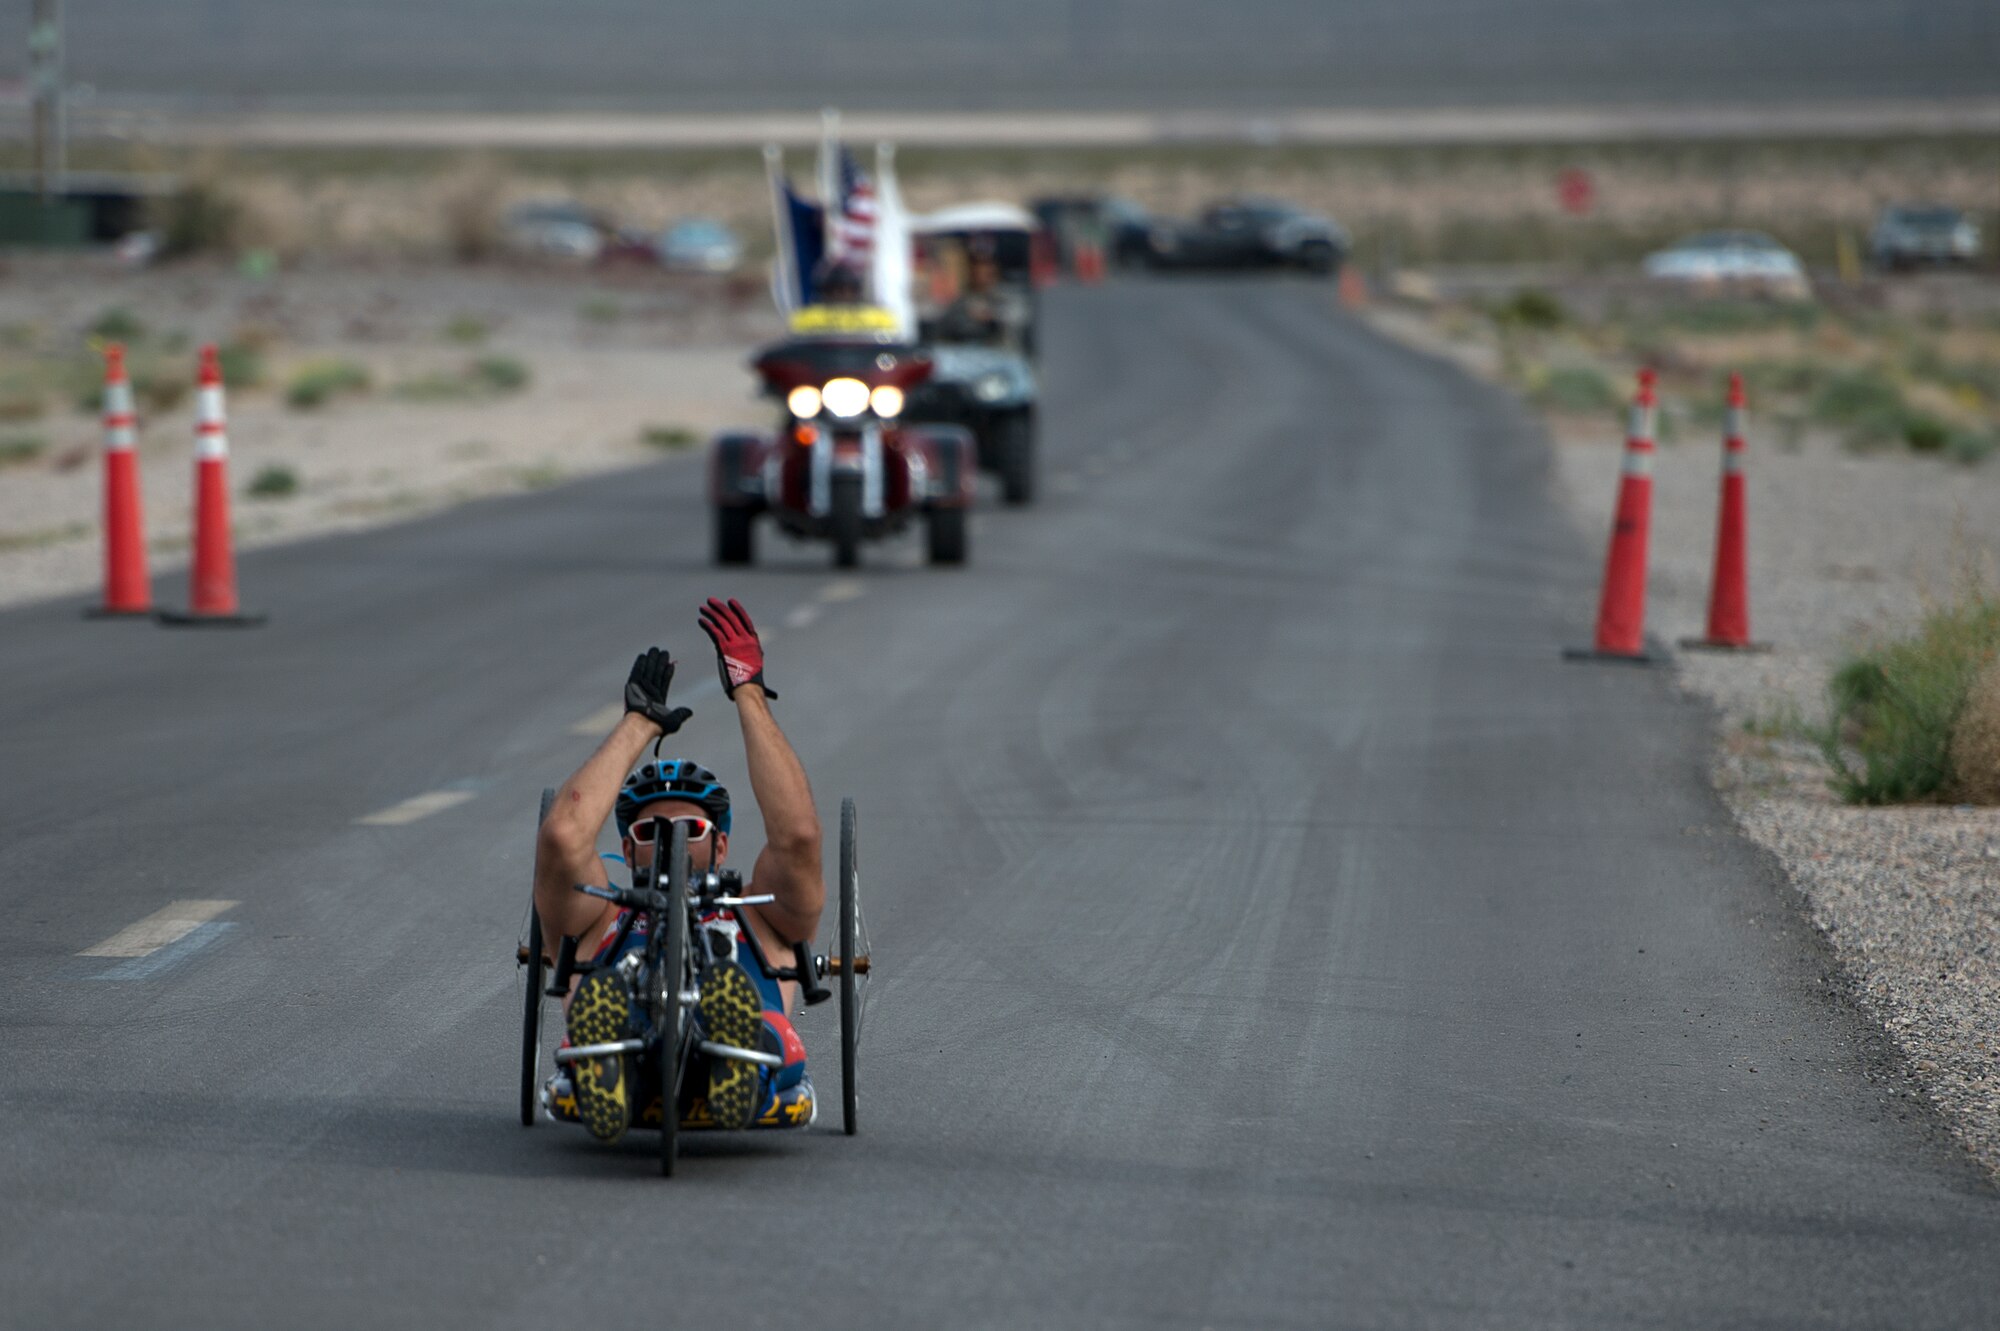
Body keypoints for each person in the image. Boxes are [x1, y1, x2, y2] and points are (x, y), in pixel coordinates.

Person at [532, 597, 824, 1139]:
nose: (670, 838)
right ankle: (613, 1072)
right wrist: (638, 724)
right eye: (650, 831)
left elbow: (799, 837)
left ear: (722, 848)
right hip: (625, 1040)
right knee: (604, 1022)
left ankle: (730, 1056)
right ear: (626, 845)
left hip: (747, 1043)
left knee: (762, 1033)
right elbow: (562, 837)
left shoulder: (760, 915)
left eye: (692, 830)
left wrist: (749, 692)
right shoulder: (598, 916)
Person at [936, 237, 1029, 347]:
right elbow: (943, 320)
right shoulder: (959, 297)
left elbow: (1022, 313)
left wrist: (993, 313)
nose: (987, 275)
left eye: (991, 272)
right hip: (960, 345)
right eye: (980, 272)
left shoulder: (1003, 294)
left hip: (993, 348)